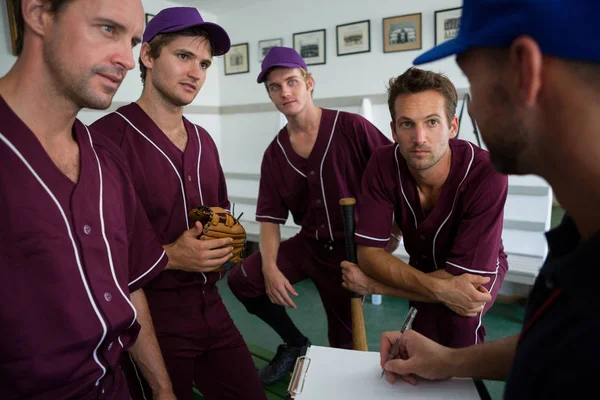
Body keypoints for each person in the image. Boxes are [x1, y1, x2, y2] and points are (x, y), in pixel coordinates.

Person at [378, 0, 600, 397]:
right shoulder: (579, 230)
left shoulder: (482, 174)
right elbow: (550, 341)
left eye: (471, 83)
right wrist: (449, 361)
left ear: (523, 73)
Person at [0, 0, 176, 398]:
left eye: (133, 41)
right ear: (38, 12)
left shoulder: (105, 159)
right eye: (108, 29)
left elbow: (128, 284)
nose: (129, 60)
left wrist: (162, 389)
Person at [90, 7, 266, 400]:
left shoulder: (203, 141)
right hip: (148, 320)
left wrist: (228, 243)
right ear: (148, 56)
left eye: (204, 63)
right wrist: (170, 256)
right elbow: (95, 255)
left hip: (211, 307)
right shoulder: (104, 141)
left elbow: (220, 213)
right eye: (183, 57)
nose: (196, 73)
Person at [226, 46, 392, 385]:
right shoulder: (275, 153)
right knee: (242, 280)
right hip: (309, 245)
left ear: (309, 82)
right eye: (275, 86)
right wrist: (270, 269)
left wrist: (388, 244)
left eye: (291, 82)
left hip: (351, 253)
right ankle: (296, 343)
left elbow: (396, 180)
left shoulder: (352, 128)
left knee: (344, 345)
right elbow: (270, 220)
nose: (285, 92)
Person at [342, 67, 508, 348]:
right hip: (422, 269)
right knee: (420, 342)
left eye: (432, 122)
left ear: (452, 126)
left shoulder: (487, 174)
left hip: (475, 270)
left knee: (458, 327)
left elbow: (462, 282)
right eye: (407, 124)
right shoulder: (383, 164)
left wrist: (376, 286)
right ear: (393, 130)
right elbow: (369, 254)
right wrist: (439, 289)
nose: (419, 138)